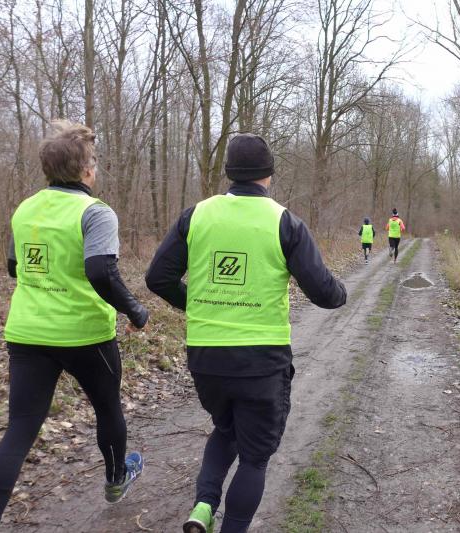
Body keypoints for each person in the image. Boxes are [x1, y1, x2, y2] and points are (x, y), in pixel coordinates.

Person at [145, 133, 346, 533]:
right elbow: (325, 293)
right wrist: (341, 291)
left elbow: (157, 278)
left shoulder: (196, 215)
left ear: (229, 173)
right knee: (254, 457)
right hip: (261, 361)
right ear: (269, 173)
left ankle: (203, 506)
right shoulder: (283, 221)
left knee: (226, 430)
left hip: (206, 357)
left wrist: (198, 305)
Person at [0, 120, 148, 533]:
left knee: (19, 430)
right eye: (94, 161)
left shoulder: (26, 209)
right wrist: (135, 310)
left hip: (28, 333)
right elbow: (101, 272)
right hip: (85, 334)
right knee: (107, 408)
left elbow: (13, 267)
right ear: (87, 169)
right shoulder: (96, 212)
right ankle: (116, 480)